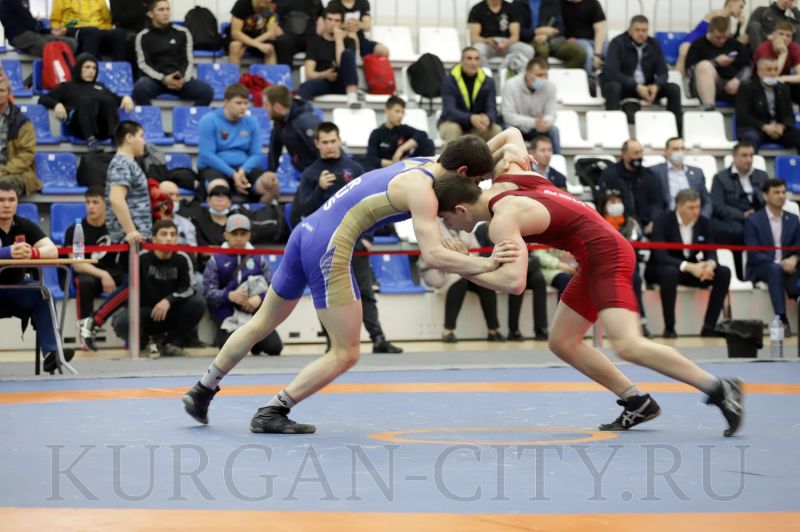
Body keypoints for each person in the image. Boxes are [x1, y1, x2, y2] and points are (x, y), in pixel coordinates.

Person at [181, 133, 525, 433]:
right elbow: (433, 255)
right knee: (346, 352)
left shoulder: (429, 162)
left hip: (306, 231)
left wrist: (510, 151)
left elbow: (502, 136)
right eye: (477, 182)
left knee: (261, 323)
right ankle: (273, 411)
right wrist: (486, 262)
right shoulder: (423, 191)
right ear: (462, 172)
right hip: (328, 247)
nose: (475, 189)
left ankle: (203, 389)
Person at [431, 136, 744, 437]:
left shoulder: (502, 219)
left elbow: (514, 283)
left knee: (628, 345)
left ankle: (719, 388)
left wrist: (461, 265)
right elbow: (512, 134)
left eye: (446, 219)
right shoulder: (508, 175)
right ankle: (636, 401)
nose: (449, 227)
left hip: (608, 256)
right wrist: (495, 155)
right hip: (594, 256)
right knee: (563, 341)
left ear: (461, 209)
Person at [297, 122, 402, 354]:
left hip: (356, 240)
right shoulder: (311, 174)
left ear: (339, 140)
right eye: (325, 142)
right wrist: (319, 189)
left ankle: (378, 339)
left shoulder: (354, 168)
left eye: (333, 141)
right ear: (317, 144)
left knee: (365, 292)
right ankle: (332, 343)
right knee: (328, 295)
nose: (329, 146)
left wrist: (368, 236)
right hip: (324, 244)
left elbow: (371, 204)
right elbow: (304, 210)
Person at [79, 121, 152, 351]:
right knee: (135, 285)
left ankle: (98, 322)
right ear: (129, 137)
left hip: (138, 236)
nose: (144, 141)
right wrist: (130, 230)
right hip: (133, 238)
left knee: (137, 286)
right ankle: (94, 320)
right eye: (141, 135)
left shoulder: (128, 162)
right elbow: (116, 199)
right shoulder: (122, 162)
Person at [0, 181, 73, 373]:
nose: (6, 205)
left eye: (11, 200)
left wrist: (33, 253)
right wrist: (7, 252)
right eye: (1, 200)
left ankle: (52, 354)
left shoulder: (23, 225)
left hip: (16, 287)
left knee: (43, 293)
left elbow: (52, 250)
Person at [645, 189, 732, 338]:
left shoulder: (704, 222)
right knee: (669, 273)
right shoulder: (662, 221)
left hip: (691, 269)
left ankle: (709, 326)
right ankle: (670, 328)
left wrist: (709, 265)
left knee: (724, 272)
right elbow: (660, 256)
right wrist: (690, 267)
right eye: (690, 208)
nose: (695, 212)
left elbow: (711, 251)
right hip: (662, 268)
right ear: (678, 206)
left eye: (698, 207)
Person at [112, 219, 204, 356]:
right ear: (154, 239)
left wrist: (168, 300)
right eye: (164, 234)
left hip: (170, 311)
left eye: (173, 234)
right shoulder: (142, 256)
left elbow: (189, 288)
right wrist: (127, 243)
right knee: (120, 321)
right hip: (144, 311)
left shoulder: (183, 258)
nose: (169, 238)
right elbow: (122, 266)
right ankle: (145, 344)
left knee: (198, 303)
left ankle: (168, 343)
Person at [203, 213, 283, 355]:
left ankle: (253, 341)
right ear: (226, 235)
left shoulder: (258, 258)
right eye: (234, 234)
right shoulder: (216, 259)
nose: (239, 238)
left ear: (249, 235)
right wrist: (228, 295)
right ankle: (247, 341)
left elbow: (273, 286)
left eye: (243, 233)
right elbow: (208, 293)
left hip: (254, 314)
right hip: (227, 314)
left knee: (274, 348)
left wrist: (260, 298)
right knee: (231, 352)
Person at [198, 84, 278, 202]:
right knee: (219, 192)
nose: (243, 107)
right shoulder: (209, 120)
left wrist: (242, 171)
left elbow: (256, 154)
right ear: (226, 102)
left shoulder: (251, 122)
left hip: (243, 168)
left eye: (246, 103)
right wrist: (233, 174)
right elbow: (207, 155)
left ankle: (262, 212)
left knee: (272, 186)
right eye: (238, 103)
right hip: (214, 168)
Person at [601, 15, 682, 131]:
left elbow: (663, 72)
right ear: (630, 30)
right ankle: (613, 131)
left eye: (644, 30)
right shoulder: (617, 43)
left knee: (674, 89)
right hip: (624, 87)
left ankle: (676, 133)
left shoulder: (654, 44)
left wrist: (657, 86)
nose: (641, 34)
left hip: (646, 87)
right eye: (637, 30)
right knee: (613, 87)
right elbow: (612, 72)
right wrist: (635, 86)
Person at [39, 53, 134, 151]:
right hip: (80, 128)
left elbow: (115, 100)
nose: (91, 71)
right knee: (86, 100)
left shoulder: (100, 86)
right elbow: (43, 98)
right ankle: (90, 139)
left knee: (108, 100)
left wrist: (125, 98)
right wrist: (56, 104)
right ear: (79, 68)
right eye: (87, 67)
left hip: (101, 128)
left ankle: (115, 138)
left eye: (94, 68)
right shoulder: (67, 87)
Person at [744, 178, 799, 334]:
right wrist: (780, 263)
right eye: (776, 192)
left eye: (783, 192)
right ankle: (781, 319)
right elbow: (753, 253)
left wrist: (794, 259)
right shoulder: (753, 220)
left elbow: (798, 245)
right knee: (775, 269)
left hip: (790, 264)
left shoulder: (793, 219)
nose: (781, 196)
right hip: (762, 266)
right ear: (765, 196)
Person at [134, 0, 213, 107]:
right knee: (140, 88)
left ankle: (192, 118)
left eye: (168, 9)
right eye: (161, 10)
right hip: (155, 81)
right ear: (151, 14)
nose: (166, 13)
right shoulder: (142, 36)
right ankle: (149, 118)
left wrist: (183, 79)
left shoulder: (183, 32)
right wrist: (163, 79)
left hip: (180, 80)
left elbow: (189, 60)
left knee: (206, 91)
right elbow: (143, 64)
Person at [437, 223, 505, 343]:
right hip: (443, 271)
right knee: (459, 283)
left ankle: (493, 331)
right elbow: (436, 255)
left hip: (467, 268)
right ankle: (448, 331)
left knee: (487, 285)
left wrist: (465, 260)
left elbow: (475, 248)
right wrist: (464, 258)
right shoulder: (435, 227)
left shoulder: (463, 226)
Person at [711, 141, 768, 280]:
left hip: (758, 217)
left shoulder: (762, 176)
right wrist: (741, 215)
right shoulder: (720, 178)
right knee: (738, 232)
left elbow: (768, 200)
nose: (748, 159)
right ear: (734, 157)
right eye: (744, 155)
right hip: (733, 219)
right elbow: (718, 205)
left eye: (751, 155)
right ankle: (741, 275)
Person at [65, 188, 125, 321]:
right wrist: (103, 275)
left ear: (106, 204)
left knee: (134, 280)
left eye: (95, 202)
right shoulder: (76, 230)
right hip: (90, 272)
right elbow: (78, 265)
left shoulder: (117, 228)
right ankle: (85, 327)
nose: (90, 206)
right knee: (84, 282)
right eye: (88, 202)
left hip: (114, 271)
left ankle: (129, 328)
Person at [600, 191, 651, 337]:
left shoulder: (631, 223)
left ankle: (641, 322)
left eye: (619, 202)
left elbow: (633, 244)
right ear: (604, 206)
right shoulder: (599, 221)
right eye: (612, 202)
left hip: (627, 263)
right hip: (605, 264)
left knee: (635, 279)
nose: (617, 205)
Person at [596, 139, 665, 236]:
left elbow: (657, 202)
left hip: (647, 226)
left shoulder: (649, 175)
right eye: (635, 153)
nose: (639, 156)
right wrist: (628, 221)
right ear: (624, 154)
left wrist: (654, 221)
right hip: (619, 226)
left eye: (641, 152)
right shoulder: (610, 175)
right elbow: (603, 202)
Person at [297, 4, 360, 108]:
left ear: (342, 23)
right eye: (330, 19)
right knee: (305, 86)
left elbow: (340, 63)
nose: (333, 24)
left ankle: (352, 99)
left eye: (337, 21)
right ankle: (297, 111)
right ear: (324, 20)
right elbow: (309, 73)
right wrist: (324, 74)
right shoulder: (314, 42)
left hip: (344, 81)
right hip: (324, 80)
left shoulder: (349, 41)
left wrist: (339, 39)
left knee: (347, 54)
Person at [685, 16, 751, 111]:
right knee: (704, 66)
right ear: (710, 31)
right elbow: (690, 72)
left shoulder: (735, 45)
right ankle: (709, 108)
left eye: (725, 37)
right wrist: (715, 62)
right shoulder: (697, 45)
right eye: (718, 37)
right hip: (704, 85)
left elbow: (748, 67)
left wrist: (738, 80)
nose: (722, 41)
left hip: (733, 84)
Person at [438, 47, 503, 143]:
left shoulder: (488, 81)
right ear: (461, 61)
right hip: (451, 122)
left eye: (477, 59)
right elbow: (449, 111)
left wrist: (488, 118)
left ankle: (489, 154)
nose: (473, 62)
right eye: (469, 58)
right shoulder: (449, 80)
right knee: (453, 129)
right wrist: (470, 118)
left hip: (477, 126)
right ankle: (452, 153)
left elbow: (492, 108)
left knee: (496, 129)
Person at [736, 56, 800, 153]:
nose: (773, 73)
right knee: (751, 137)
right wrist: (764, 127)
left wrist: (782, 127)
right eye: (769, 70)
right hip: (756, 129)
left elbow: (789, 115)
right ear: (759, 73)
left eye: (776, 69)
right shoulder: (747, 88)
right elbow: (743, 116)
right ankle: (752, 162)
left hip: (779, 130)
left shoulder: (784, 88)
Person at [501, 57, 560, 152]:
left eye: (545, 74)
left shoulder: (550, 87)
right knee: (508, 129)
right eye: (539, 75)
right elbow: (508, 116)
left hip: (538, 128)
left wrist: (544, 122)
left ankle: (556, 160)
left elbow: (552, 114)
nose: (544, 78)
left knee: (554, 131)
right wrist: (533, 123)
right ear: (528, 75)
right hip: (516, 127)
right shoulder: (510, 85)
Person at [675, 0, 747, 74]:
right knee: (685, 49)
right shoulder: (717, 14)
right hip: (692, 41)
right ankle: (677, 78)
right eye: (740, 7)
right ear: (731, 3)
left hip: (704, 46)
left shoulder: (727, 20)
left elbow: (729, 40)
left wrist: (739, 26)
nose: (741, 11)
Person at [366, 96, 435, 171]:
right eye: (397, 111)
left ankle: (428, 171)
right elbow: (371, 159)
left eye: (403, 112)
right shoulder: (377, 133)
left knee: (427, 142)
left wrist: (401, 149)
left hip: (406, 168)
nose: (400, 115)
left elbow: (422, 134)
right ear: (386, 111)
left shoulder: (404, 129)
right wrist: (396, 164)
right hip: (386, 170)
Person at [264, 84, 321, 174]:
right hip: (303, 172)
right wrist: (271, 171)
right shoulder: (280, 120)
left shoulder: (305, 122)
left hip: (316, 174)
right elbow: (275, 149)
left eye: (266, 105)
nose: (264, 109)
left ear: (277, 107)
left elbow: (323, 151)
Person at [650, 137, 712, 219]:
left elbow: (707, 201)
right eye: (675, 149)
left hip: (694, 218)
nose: (680, 152)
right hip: (667, 219)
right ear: (666, 151)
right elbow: (651, 202)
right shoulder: (655, 172)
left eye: (682, 149)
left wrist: (702, 218)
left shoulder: (697, 173)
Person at [513, 0, 585, 68]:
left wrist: (546, 36)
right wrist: (536, 32)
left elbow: (560, 27)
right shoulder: (518, 3)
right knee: (542, 50)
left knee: (579, 53)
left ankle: (560, 76)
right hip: (529, 40)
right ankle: (539, 76)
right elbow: (519, 32)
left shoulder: (553, 2)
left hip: (551, 40)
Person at [49, 0, 129, 61]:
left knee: (120, 33)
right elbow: (55, 20)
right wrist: (58, 30)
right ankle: (86, 71)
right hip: (74, 28)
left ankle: (120, 72)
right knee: (92, 32)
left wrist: (106, 32)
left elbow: (107, 20)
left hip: (98, 29)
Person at [0, 79, 38, 198]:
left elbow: (27, 154)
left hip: (16, 172)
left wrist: (4, 171)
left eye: (2, 90)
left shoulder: (22, 121)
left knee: (4, 184)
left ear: (9, 94)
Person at [467, 0, 534, 67]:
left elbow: (515, 36)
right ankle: (485, 72)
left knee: (528, 50)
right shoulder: (477, 9)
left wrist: (507, 43)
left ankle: (515, 71)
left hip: (507, 43)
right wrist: (488, 41)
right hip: (486, 44)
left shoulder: (511, 8)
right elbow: (474, 38)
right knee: (477, 50)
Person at [0, 0, 77, 57]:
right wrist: (44, 28)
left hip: (32, 33)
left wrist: (50, 31)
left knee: (71, 43)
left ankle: (69, 69)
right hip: (18, 36)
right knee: (49, 48)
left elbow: (31, 24)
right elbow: (29, 22)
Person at [754, 21, 800, 104]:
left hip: (782, 82)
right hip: (762, 82)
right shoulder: (763, 48)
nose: (784, 38)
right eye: (781, 34)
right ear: (773, 35)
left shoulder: (795, 48)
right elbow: (772, 75)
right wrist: (783, 53)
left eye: (788, 36)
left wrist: (784, 78)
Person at [561, 0, 607, 82]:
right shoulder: (560, 4)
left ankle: (609, 81)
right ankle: (590, 81)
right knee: (588, 51)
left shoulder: (593, 3)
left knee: (613, 48)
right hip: (575, 41)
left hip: (593, 41)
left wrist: (597, 54)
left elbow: (600, 30)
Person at [270, 0, 324, 68]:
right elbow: (272, 13)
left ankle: (315, 72)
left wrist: (322, 19)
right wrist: (275, 26)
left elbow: (322, 14)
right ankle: (285, 72)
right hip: (287, 34)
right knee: (282, 42)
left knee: (318, 43)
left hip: (310, 34)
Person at [228, 0, 280, 65]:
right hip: (243, 38)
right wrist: (257, 45)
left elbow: (271, 33)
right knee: (235, 46)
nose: (267, 0)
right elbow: (235, 33)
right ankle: (234, 71)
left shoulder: (271, 6)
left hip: (261, 38)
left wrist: (248, 46)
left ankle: (270, 71)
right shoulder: (242, 4)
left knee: (269, 48)